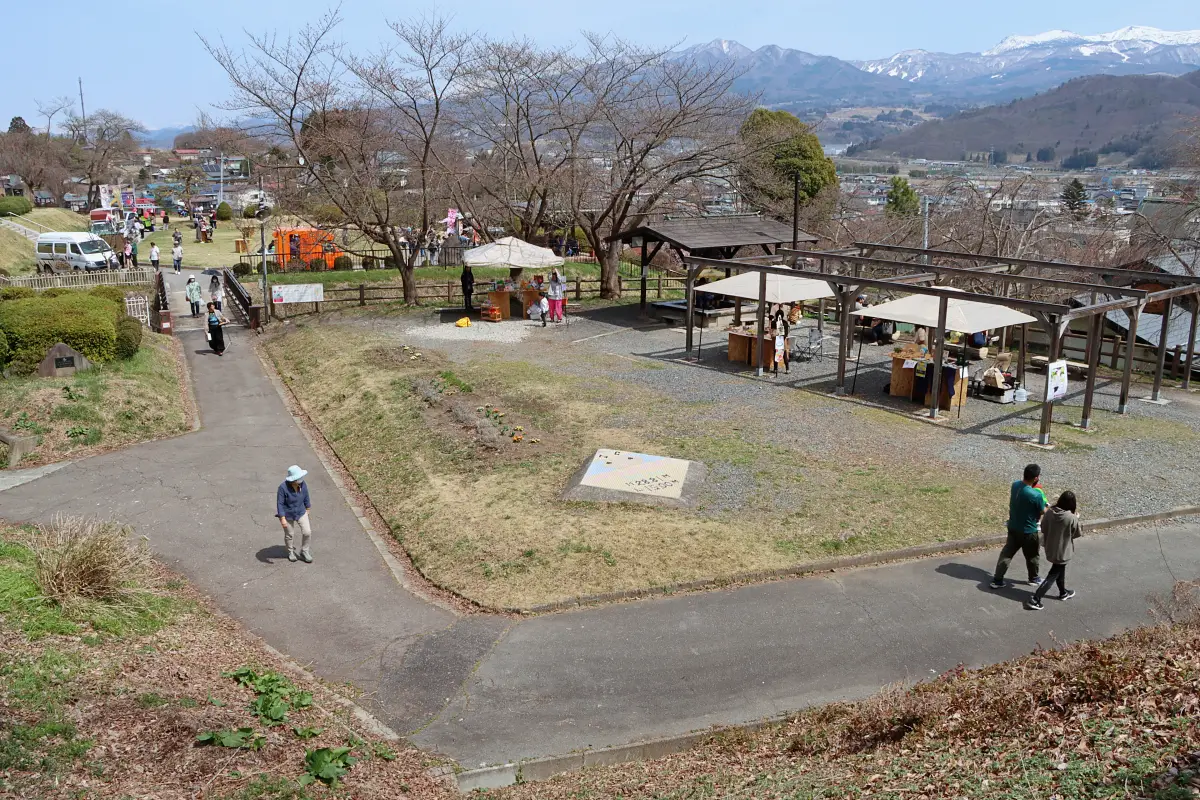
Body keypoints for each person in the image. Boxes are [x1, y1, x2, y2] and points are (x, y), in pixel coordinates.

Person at [990, 463, 1048, 589]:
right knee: (1032, 556)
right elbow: (1043, 511)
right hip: (1028, 530)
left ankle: (997, 579)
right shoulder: (1036, 495)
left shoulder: (1015, 485)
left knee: (1007, 554)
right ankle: (1033, 578)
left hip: (1013, 526)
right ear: (1036, 478)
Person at [1026, 491, 1080, 610]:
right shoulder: (1071, 517)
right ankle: (1036, 598)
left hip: (1051, 548)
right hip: (1063, 551)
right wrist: (1076, 519)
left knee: (1059, 569)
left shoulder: (1050, 512)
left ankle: (1063, 593)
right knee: (1053, 574)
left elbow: (1043, 528)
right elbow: (1076, 534)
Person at [275, 465, 313, 563]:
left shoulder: (303, 484)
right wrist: (282, 518)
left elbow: (306, 496)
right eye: (299, 478)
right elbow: (280, 503)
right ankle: (290, 552)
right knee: (289, 534)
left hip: (301, 511)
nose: (301, 479)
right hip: (287, 514)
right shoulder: (283, 488)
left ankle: (304, 551)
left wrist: (308, 508)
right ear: (294, 479)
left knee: (307, 532)